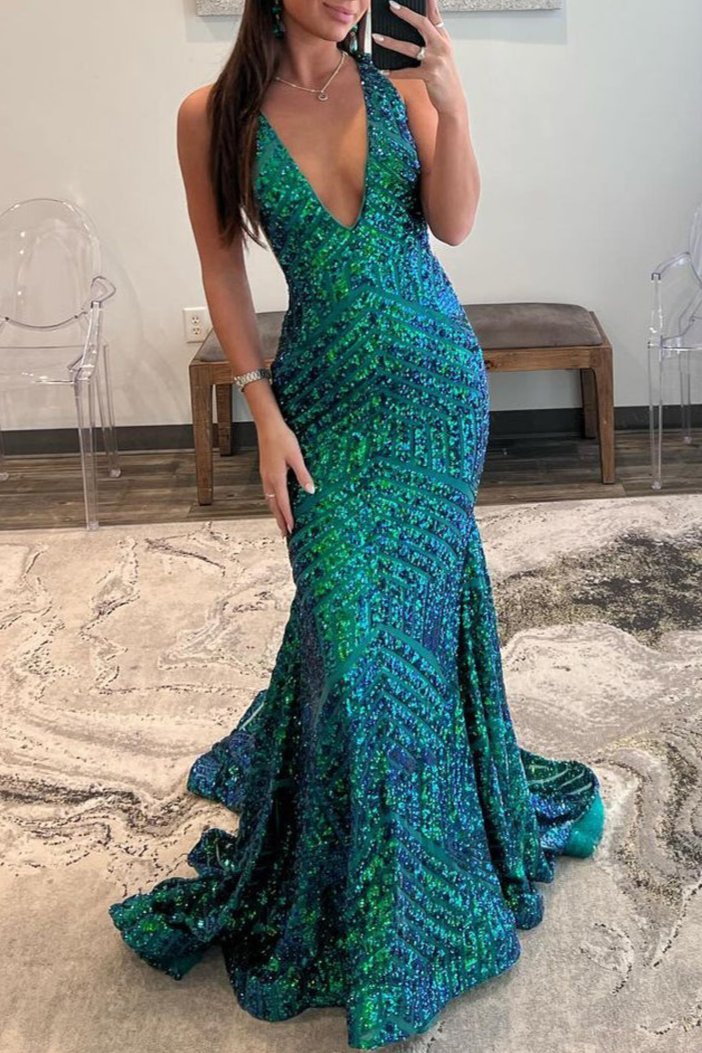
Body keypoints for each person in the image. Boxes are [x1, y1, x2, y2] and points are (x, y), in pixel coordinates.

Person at [108, 1, 606, 1048]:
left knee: (396, 647)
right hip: (321, 406)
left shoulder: (405, 87)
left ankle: (407, 925)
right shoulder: (212, 115)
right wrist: (260, 407)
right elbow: (221, 264)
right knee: (348, 634)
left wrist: (455, 104)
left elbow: (455, 223)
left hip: (434, 392)